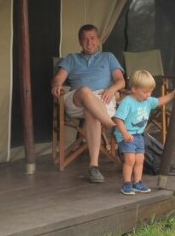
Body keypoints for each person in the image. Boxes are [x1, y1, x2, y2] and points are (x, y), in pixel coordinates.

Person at [50, 24, 125, 183]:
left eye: (92, 38)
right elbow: (58, 79)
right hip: (77, 98)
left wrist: (112, 89)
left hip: (103, 99)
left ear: (98, 40)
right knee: (85, 91)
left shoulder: (108, 57)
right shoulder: (71, 58)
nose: (89, 42)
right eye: (84, 39)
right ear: (79, 41)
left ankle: (94, 167)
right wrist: (56, 85)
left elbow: (121, 81)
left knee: (91, 112)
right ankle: (113, 127)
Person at [113, 69, 175, 195]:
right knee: (130, 159)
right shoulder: (127, 102)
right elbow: (118, 119)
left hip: (139, 135)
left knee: (140, 159)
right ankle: (126, 183)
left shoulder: (147, 101)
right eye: (145, 92)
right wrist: (125, 134)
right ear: (134, 89)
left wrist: (172, 95)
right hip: (126, 135)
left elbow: (159, 101)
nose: (148, 95)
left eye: (150, 91)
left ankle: (138, 182)